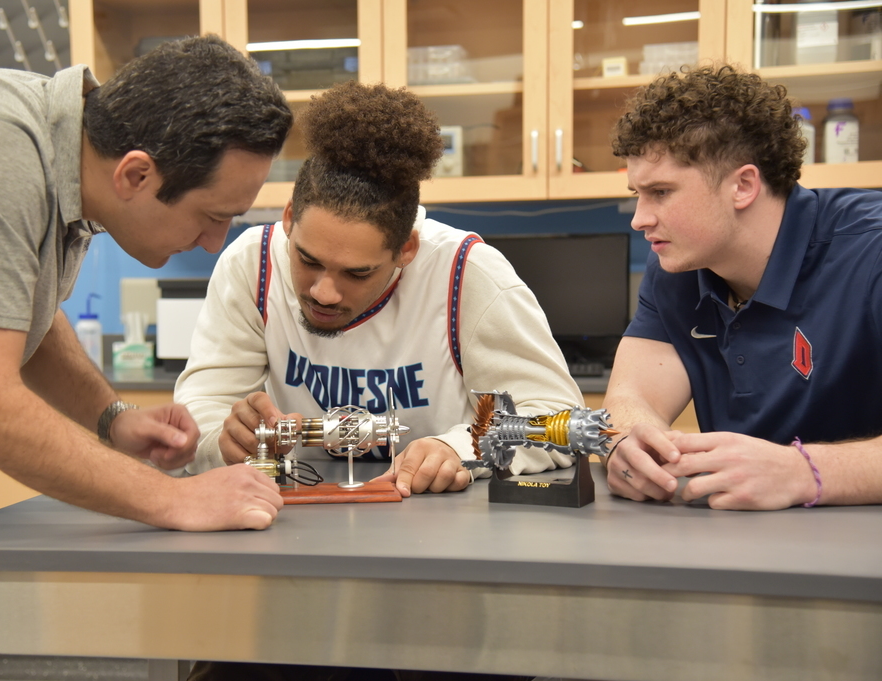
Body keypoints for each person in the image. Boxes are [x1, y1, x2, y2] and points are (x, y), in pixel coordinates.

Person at [0, 35, 292, 681]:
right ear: (136, 174)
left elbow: (12, 310)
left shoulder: (62, 164)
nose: (213, 241)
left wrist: (111, 417)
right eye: (211, 215)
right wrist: (173, 499)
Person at [175, 80, 583, 500]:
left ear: (406, 249)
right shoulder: (254, 263)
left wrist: (460, 447)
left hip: (439, 520)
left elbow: (558, 418)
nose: (324, 292)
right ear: (290, 218)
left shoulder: (466, 273)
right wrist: (222, 442)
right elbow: (201, 410)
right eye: (308, 260)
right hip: (298, 511)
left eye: (357, 273)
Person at [602, 63, 882, 510]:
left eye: (661, 192)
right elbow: (632, 396)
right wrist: (626, 442)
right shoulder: (675, 265)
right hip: (737, 535)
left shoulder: (871, 250)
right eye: (638, 194)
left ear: (744, 185)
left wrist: (802, 472)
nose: (640, 219)